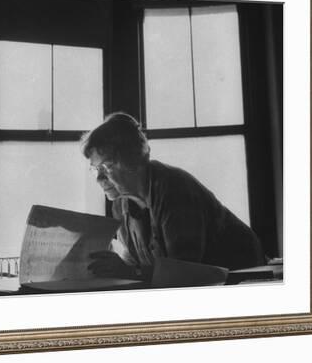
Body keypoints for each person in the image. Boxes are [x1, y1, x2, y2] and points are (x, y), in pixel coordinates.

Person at [82, 112, 265, 283]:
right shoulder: (120, 204)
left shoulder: (174, 188)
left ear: (132, 159)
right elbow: (133, 261)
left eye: (106, 167)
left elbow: (183, 271)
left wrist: (130, 272)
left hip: (244, 279)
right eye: (95, 169)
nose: (99, 178)